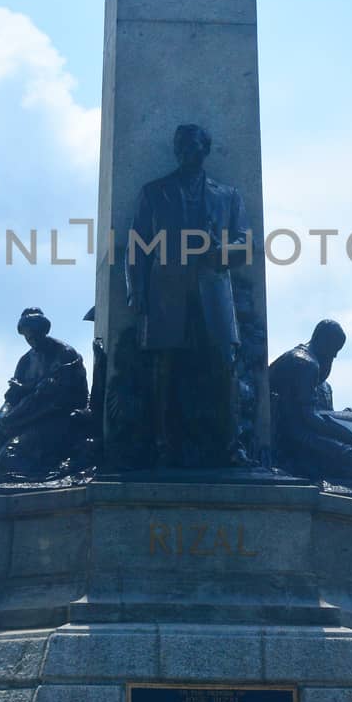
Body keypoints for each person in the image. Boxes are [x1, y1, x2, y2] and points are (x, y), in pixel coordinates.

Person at [126, 123, 250, 465]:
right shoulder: (154, 192)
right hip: (166, 288)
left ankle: (232, 445)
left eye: (192, 147)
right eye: (180, 147)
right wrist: (135, 291)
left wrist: (218, 249)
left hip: (213, 287)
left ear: (204, 150)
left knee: (226, 364)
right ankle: (161, 444)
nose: (185, 153)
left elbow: (246, 245)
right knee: (163, 367)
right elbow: (136, 247)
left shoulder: (228, 196)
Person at [0, 308, 90, 484]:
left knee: (9, 456)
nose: (32, 340)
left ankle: (5, 472)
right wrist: (6, 413)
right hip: (23, 414)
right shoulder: (26, 360)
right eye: (28, 337)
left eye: (35, 335)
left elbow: (59, 397)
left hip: (56, 416)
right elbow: (13, 396)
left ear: (44, 331)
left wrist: (17, 415)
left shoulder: (64, 353)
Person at [268, 320, 352, 485]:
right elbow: (310, 418)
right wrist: (349, 435)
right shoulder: (306, 364)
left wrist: (346, 417)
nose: (334, 356)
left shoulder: (319, 378)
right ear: (323, 342)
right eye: (334, 350)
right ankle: (317, 474)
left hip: (306, 434)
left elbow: (321, 415)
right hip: (295, 441)